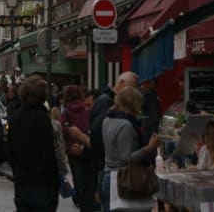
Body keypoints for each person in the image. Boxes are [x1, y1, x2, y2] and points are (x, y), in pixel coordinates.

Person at [101, 86, 159, 212]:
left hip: (108, 176)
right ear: (134, 104)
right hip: (123, 180)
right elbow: (126, 158)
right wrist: (149, 148)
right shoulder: (126, 125)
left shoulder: (107, 120)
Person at [8, 75, 59, 212]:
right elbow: (47, 152)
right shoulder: (42, 118)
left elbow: (10, 150)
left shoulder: (15, 117)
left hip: (22, 181)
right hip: (42, 182)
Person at [90, 71, 139, 207]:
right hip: (111, 172)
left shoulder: (106, 104)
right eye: (131, 88)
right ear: (122, 83)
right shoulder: (107, 102)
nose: (133, 92)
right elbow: (96, 136)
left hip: (107, 170)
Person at [61, 84, 96, 212]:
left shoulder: (66, 111)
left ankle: (79, 197)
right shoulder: (86, 109)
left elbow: (61, 128)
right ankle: (84, 198)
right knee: (86, 175)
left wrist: (69, 131)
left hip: (71, 148)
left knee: (77, 175)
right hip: (85, 145)